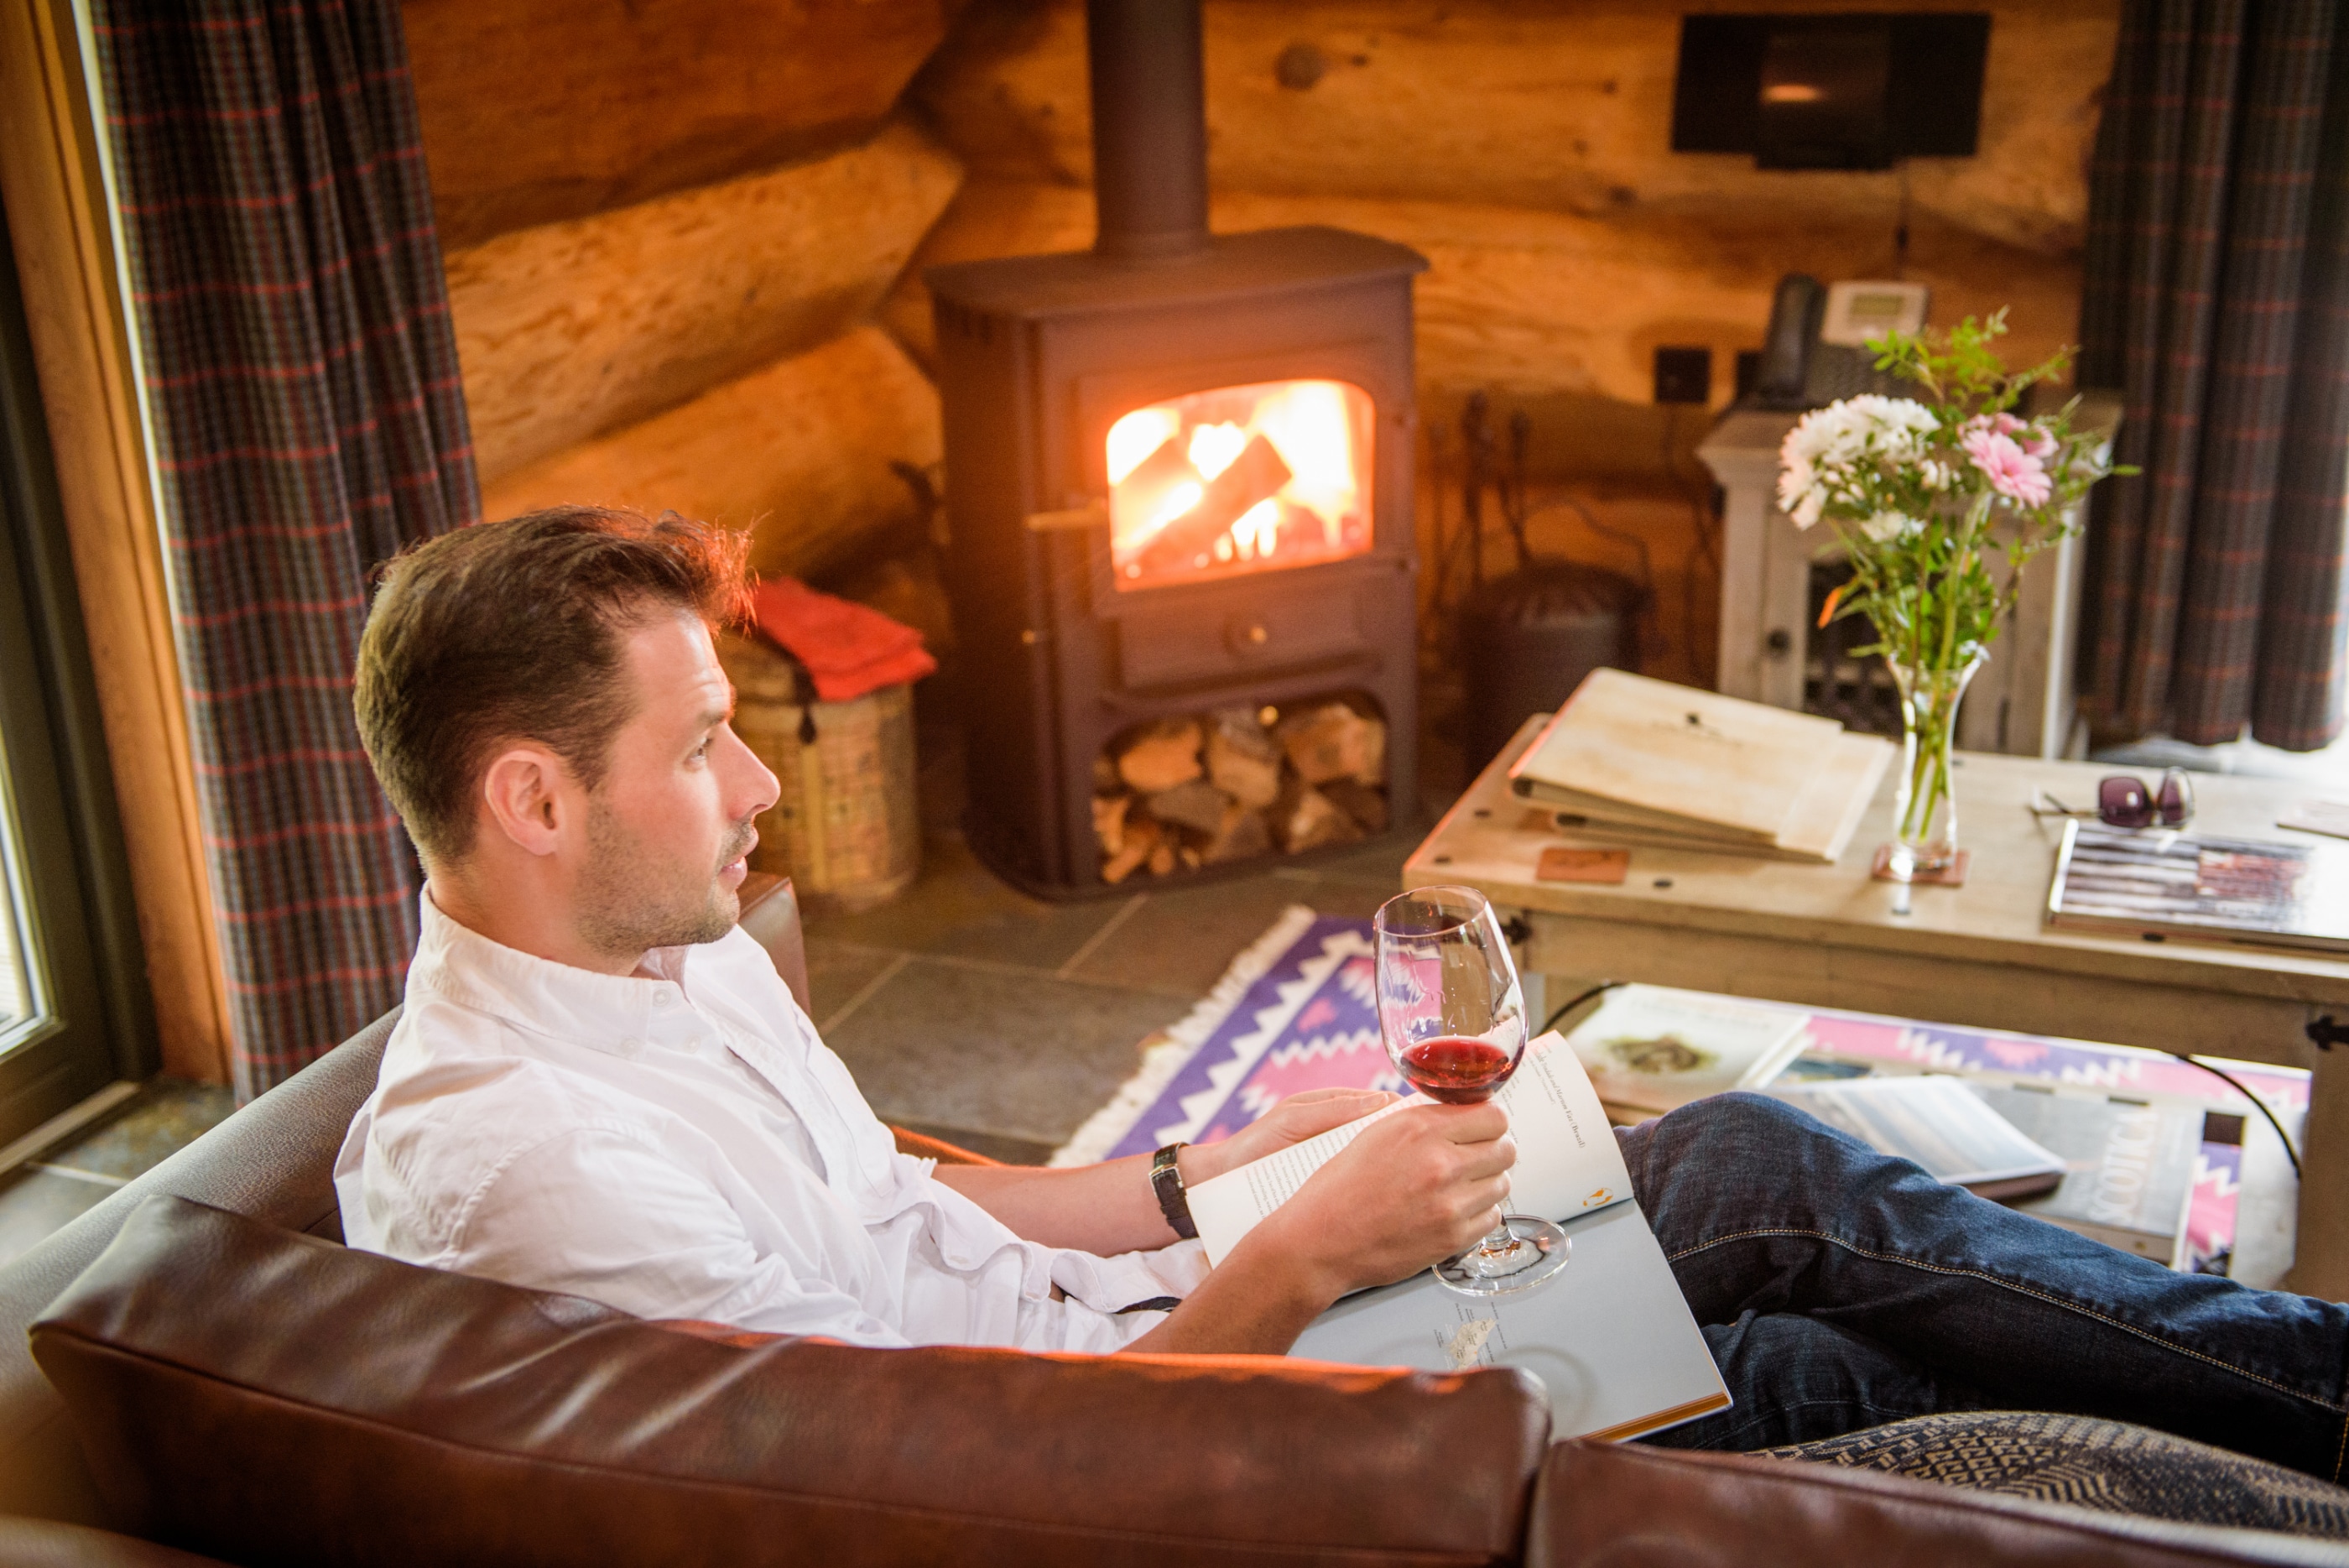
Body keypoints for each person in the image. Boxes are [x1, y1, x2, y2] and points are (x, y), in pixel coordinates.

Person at [336, 507, 2348, 1480]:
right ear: (530, 795)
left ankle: (2281, 1419)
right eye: (703, 742)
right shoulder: (527, 1164)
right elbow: (952, 1495)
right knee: (1789, 1307)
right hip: (1174, 1451)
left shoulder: (655, 953)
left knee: (1749, 1188)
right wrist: (1293, 1263)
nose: (763, 783)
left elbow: (912, 1198)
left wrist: (1219, 1164)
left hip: (1147, 1327)